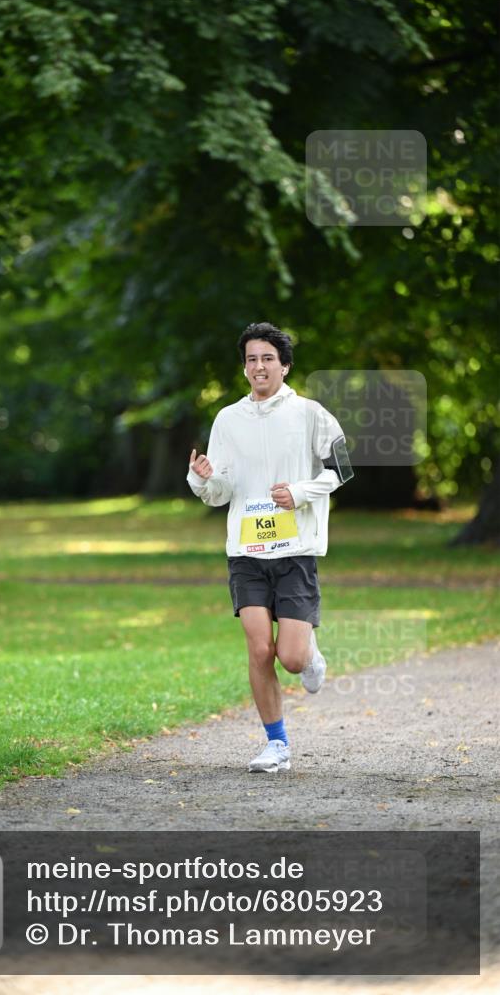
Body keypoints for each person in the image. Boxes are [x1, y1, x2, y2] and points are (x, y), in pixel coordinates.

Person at [187, 322, 353, 773]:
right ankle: (276, 744)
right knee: (260, 650)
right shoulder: (228, 419)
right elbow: (220, 491)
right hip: (246, 552)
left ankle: (311, 652)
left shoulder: (310, 413)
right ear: (244, 368)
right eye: (251, 359)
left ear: (284, 365)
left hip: (295, 549)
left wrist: (299, 493)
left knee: (292, 659)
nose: (259, 366)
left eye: (267, 358)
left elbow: (342, 469)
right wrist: (203, 477)